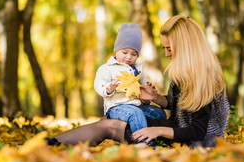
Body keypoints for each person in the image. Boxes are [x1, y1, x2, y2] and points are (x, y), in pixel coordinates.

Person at [46, 15, 229, 148]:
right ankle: (52, 143)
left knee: (111, 126)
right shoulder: (186, 71)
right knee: (111, 120)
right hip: (176, 128)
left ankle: (50, 144)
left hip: (192, 141)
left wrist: (157, 131)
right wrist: (156, 98)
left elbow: (198, 131)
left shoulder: (205, 78)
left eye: (169, 49)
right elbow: (180, 106)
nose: (166, 54)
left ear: (186, 47)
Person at [94, 23, 166, 146]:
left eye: (134, 54)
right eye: (124, 52)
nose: (128, 57)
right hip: (117, 106)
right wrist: (107, 89)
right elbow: (98, 84)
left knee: (158, 113)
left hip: (137, 104)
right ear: (116, 50)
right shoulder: (107, 68)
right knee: (135, 113)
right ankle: (144, 144)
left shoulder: (138, 70)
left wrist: (149, 90)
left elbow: (143, 86)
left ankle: (163, 139)